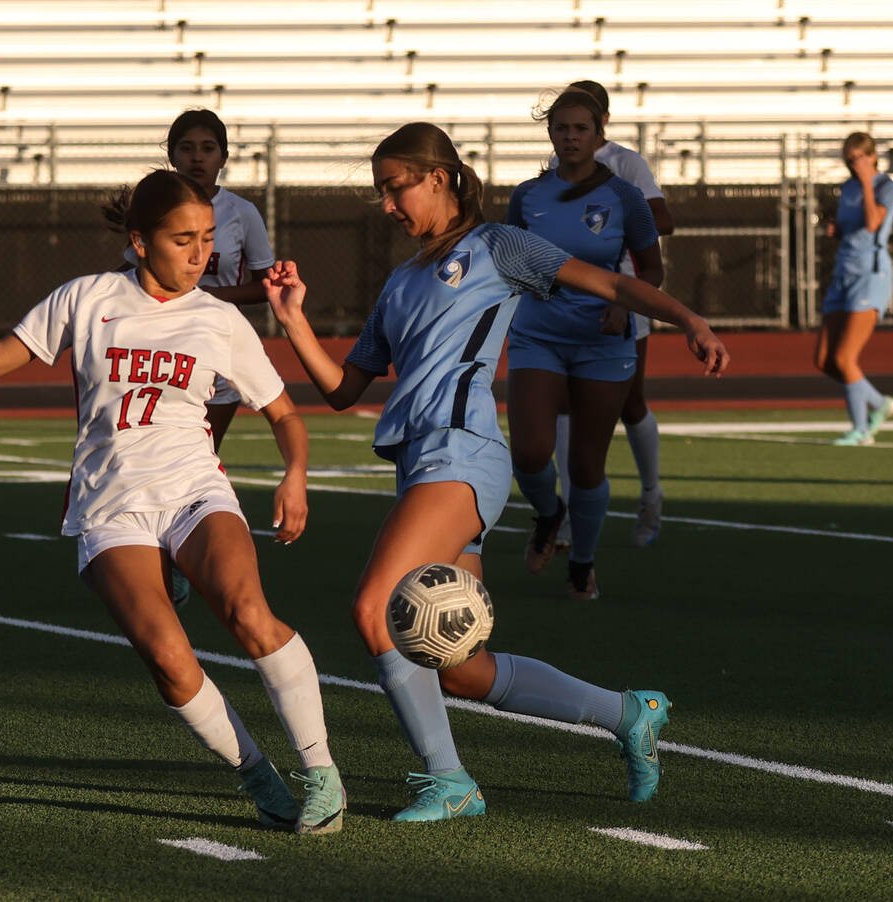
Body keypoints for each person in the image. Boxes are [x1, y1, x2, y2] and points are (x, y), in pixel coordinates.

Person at [263, 121, 728, 821]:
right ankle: (628, 712)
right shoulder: (399, 283)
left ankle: (449, 781)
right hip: (422, 466)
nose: (388, 206)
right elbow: (343, 390)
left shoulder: (495, 246)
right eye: (381, 193)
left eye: (396, 189)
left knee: (375, 612)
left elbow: (604, 280)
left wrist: (688, 317)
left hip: (463, 454)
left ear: (440, 177)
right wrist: (292, 321)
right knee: (463, 668)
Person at [0, 169, 346, 836]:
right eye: (183, 240)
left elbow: (285, 414)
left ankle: (321, 774)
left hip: (194, 489)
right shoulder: (87, 299)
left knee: (245, 610)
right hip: (110, 503)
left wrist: (295, 474)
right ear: (139, 242)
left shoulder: (219, 318)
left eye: (207, 238)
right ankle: (260, 777)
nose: (200, 253)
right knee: (168, 659)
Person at [505, 87, 667, 599]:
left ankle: (581, 564)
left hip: (602, 343)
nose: (570, 137)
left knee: (586, 464)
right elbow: (511, 262)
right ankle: (549, 516)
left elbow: (653, 269)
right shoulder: (526, 195)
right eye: (561, 128)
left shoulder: (623, 195)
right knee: (530, 452)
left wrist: (624, 303)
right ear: (549, 134)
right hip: (537, 336)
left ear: (600, 135)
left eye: (581, 129)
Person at [548, 80, 676, 550]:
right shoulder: (556, 166)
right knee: (562, 402)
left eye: (582, 121)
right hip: (567, 297)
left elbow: (663, 219)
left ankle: (650, 494)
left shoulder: (625, 163)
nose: (572, 133)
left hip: (622, 293)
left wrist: (610, 213)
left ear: (601, 121)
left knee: (630, 402)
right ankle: (564, 512)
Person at [123, 108, 276, 454]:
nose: (197, 157)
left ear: (223, 157)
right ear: (171, 155)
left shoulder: (241, 212)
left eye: (208, 148)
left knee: (201, 454)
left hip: (214, 341)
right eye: (186, 148)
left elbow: (266, 285)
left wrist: (206, 295)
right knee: (151, 448)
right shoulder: (154, 207)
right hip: (158, 341)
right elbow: (131, 269)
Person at [814, 131, 893, 446]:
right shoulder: (847, 187)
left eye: (858, 159)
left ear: (872, 156)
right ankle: (880, 403)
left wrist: (866, 180)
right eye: (849, 161)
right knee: (824, 359)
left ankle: (861, 429)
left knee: (844, 357)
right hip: (844, 270)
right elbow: (854, 226)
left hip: (870, 274)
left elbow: (875, 222)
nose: (853, 166)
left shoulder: (884, 186)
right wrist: (837, 230)